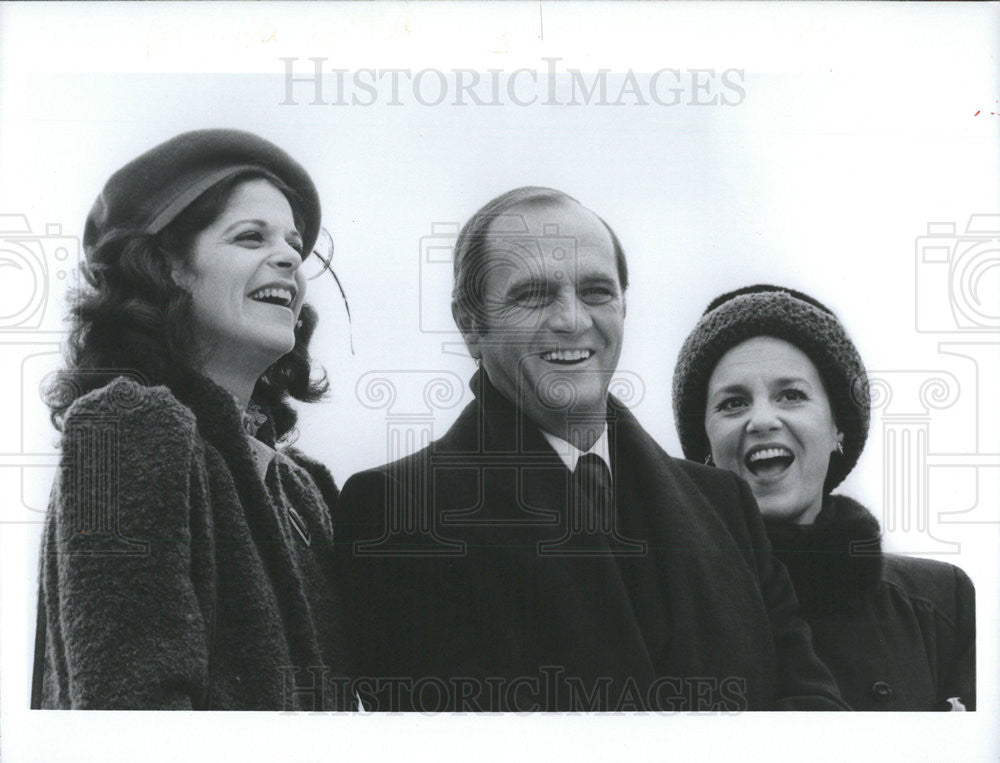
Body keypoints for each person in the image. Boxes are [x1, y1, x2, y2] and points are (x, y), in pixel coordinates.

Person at [334, 187, 846, 711]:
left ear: (624, 306)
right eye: (532, 294)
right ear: (470, 326)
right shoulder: (400, 511)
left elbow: (813, 711)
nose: (573, 319)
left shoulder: (725, 504)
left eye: (597, 291)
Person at [33, 129, 350, 710]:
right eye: (250, 237)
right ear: (169, 269)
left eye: (294, 244)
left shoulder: (302, 488)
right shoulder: (124, 429)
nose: (288, 257)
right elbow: (129, 719)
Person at [672, 284, 976, 710]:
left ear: (838, 428)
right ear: (703, 443)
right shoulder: (665, 605)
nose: (762, 420)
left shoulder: (943, 604)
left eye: (791, 395)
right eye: (733, 402)